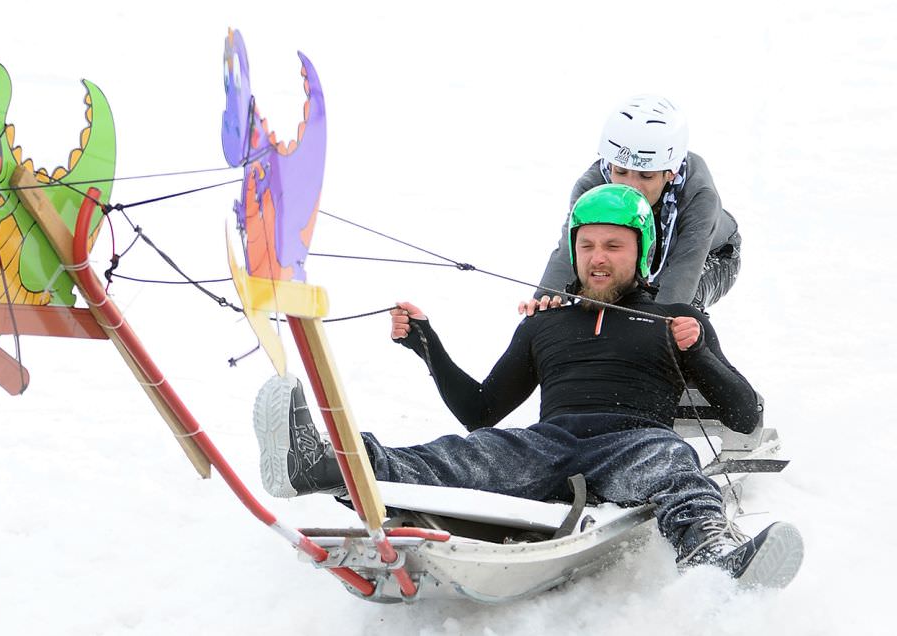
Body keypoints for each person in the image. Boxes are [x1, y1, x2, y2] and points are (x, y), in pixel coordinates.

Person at [253, 184, 802, 588]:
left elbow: (744, 413)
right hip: (548, 444)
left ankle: (717, 556)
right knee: (459, 454)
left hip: (633, 441)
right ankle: (320, 465)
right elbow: (481, 409)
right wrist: (426, 344)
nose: (598, 258)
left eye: (613, 246)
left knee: (671, 462)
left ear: (641, 251)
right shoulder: (545, 321)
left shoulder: (673, 319)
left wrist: (699, 349)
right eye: (587, 246)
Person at [523, 94, 741, 315]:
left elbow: (683, 274)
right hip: (636, 250)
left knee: (669, 310)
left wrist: (657, 328)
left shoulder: (699, 196)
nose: (631, 186)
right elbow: (571, 251)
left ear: (670, 173)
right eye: (621, 171)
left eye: (645, 176)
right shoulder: (591, 188)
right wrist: (545, 301)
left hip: (712, 254)